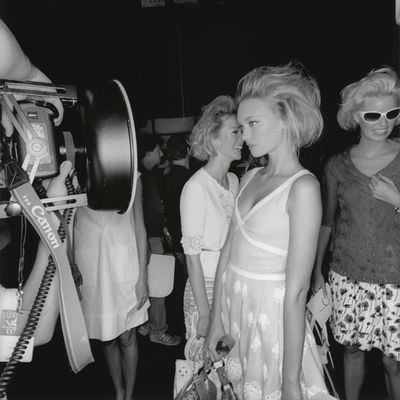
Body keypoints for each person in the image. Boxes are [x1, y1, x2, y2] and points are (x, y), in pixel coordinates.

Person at [206, 64, 331, 400]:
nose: (244, 134)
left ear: (285, 118)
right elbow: (226, 255)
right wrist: (215, 321)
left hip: (271, 322)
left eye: (252, 123)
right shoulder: (249, 178)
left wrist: (290, 382)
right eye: (242, 126)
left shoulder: (302, 188)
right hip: (237, 312)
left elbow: (297, 290)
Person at [312, 67, 400, 400]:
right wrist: (316, 272)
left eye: (392, 113)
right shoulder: (336, 166)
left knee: (394, 362)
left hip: (395, 278)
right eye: (374, 114)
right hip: (347, 275)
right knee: (350, 351)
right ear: (356, 117)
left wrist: (397, 200)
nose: (384, 121)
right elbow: (328, 221)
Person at [178, 95, 242, 378]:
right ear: (214, 140)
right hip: (203, 287)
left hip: (231, 285)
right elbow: (191, 258)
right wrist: (204, 313)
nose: (242, 137)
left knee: (231, 369)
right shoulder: (195, 188)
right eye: (235, 131)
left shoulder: (234, 181)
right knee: (207, 373)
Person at [137, 134, 181, 346]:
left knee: (150, 283)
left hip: (150, 236)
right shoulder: (142, 177)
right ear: (147, 151)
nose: (161, 153)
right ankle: (158, 330)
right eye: (157, 150)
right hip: (149, 238)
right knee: (158, 287)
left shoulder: (145, 175)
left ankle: (146, 324)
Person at [162, 134, 191, 263]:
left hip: (170, 231)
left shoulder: (163, 177)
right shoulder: (190, 178)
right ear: (188, 151)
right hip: (186, 231)